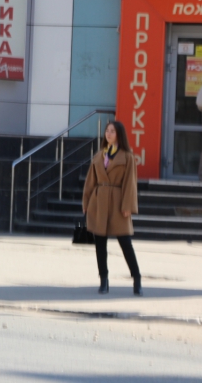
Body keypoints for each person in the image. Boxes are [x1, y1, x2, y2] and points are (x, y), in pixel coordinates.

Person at [82, 121, 142, 296]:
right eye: (107, 131)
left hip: (118, 203)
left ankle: (137, 278)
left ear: (119, 134)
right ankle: (104, 280)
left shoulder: (127, 157)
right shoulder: (99, 155)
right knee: (100, 243)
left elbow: (130, 183)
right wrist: (86, 202)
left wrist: (128, 206)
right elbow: (90, 181)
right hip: (98, 202)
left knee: (125, 243)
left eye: (112, 131)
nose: (108, 134)